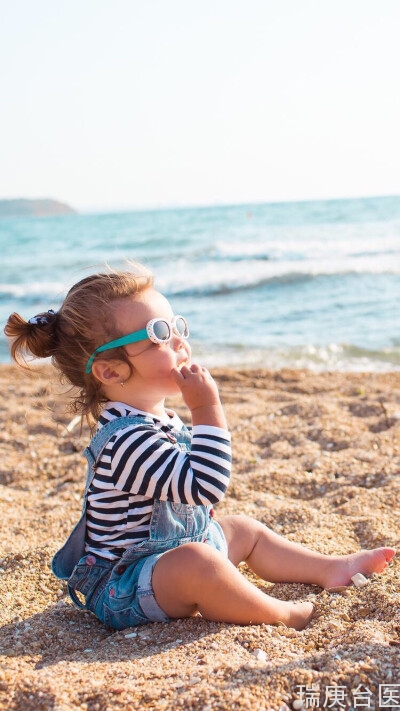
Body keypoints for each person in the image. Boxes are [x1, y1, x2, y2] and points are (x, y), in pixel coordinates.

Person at [4, 262, 395, 631]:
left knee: (243, 530)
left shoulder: (159, 420)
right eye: (158, 333)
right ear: (111, 371)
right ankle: (282, 614)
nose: (179, 340)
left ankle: (329, 568)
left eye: (176, 325)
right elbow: (204, 485)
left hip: (173, 555)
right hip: (123, 587)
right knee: (199, 562)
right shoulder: (124, 439)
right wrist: (207, 407)